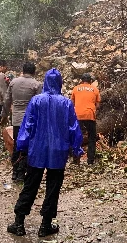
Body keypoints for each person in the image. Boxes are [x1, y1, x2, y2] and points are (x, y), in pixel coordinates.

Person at [7, 68, 83, 237]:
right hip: (58, 151)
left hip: (37, 150)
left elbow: (28, 125)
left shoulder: (36, 101)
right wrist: (76, 148)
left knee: (30, 185)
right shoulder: (66, 103)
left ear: (45, 82)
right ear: (60, 83)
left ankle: (19, 223)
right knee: (53, 187)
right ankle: (45, 225)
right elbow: (73, 127)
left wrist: (22, 146)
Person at [3, 62, 42, 182]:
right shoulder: (37, 84)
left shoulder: (13, 82)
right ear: (33, 72)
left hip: (16, 120)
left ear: (23, 70)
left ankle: (15, 172)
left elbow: (6, 100)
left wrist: (4, 115)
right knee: (28, 146)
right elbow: (39, 104)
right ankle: (21, 173)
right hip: (30, 121)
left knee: (17, 145)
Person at [71, 73, 101, 165]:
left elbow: (72, 103)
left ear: (81, 81)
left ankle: (76, 160)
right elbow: (98, 105)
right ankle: (90, 161)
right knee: (92, 137)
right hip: (90, 115)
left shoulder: (75, 89)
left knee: (76, 137)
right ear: (91, 81)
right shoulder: (95, 89)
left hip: (78, 115)